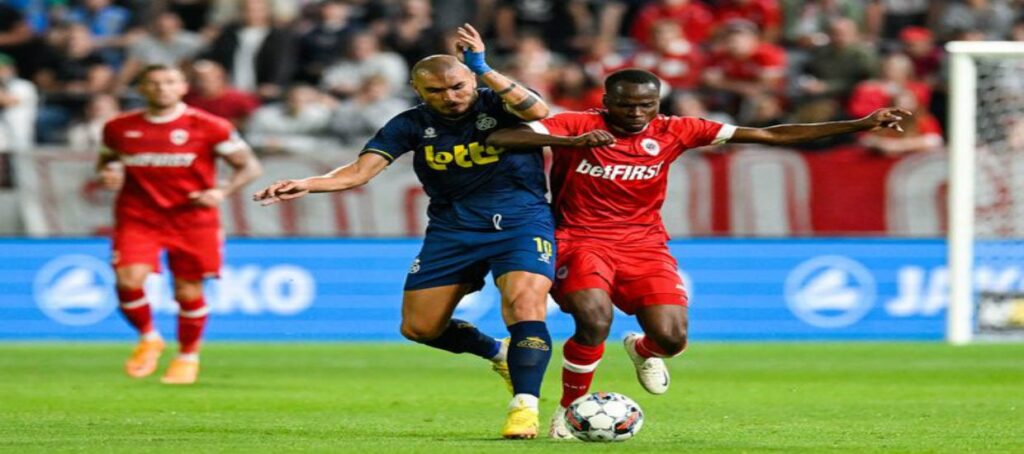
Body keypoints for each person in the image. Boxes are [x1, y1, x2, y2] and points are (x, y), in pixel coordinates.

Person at [485, 68, 910, 439]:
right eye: (627, 105)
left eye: (647, 105)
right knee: (594, 319)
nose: (637, 113)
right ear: (607, 102)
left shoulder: (677, 129)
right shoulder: (577, 123)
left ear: (658, 103)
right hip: (580, 238)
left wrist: (859, 124)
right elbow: (502, 136)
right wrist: (569, 142)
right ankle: (566, 411)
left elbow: (769, 134)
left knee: (671, 339)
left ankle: (644, 350)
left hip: (644, 244)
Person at [253, 24, 554, 439]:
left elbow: (539, 113)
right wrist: (308, 183)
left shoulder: (499, 103)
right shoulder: (409, 124)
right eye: (436, 91)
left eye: (458, 86)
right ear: (418, 91)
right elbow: (359, 172)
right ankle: (498, 353)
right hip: (454, 229)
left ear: (471, 80)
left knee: (524, 304)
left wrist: (484, 68)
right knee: (420, 328)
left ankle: (524, 406)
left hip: (521, 222)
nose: (450, 96)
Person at [96, 64, 263, 385]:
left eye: (170, 82)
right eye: (154, 83)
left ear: (183, 87)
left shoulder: (210, 126)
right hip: (139, 216)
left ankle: (187, 356)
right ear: (141, 89)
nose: (162, 88)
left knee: (187, 290)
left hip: (192, 218)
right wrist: (108, 173)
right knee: (128, 279)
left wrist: (221, 191)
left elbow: (250, 166)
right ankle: (149, 337)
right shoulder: (118, 127)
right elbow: (107, 162)